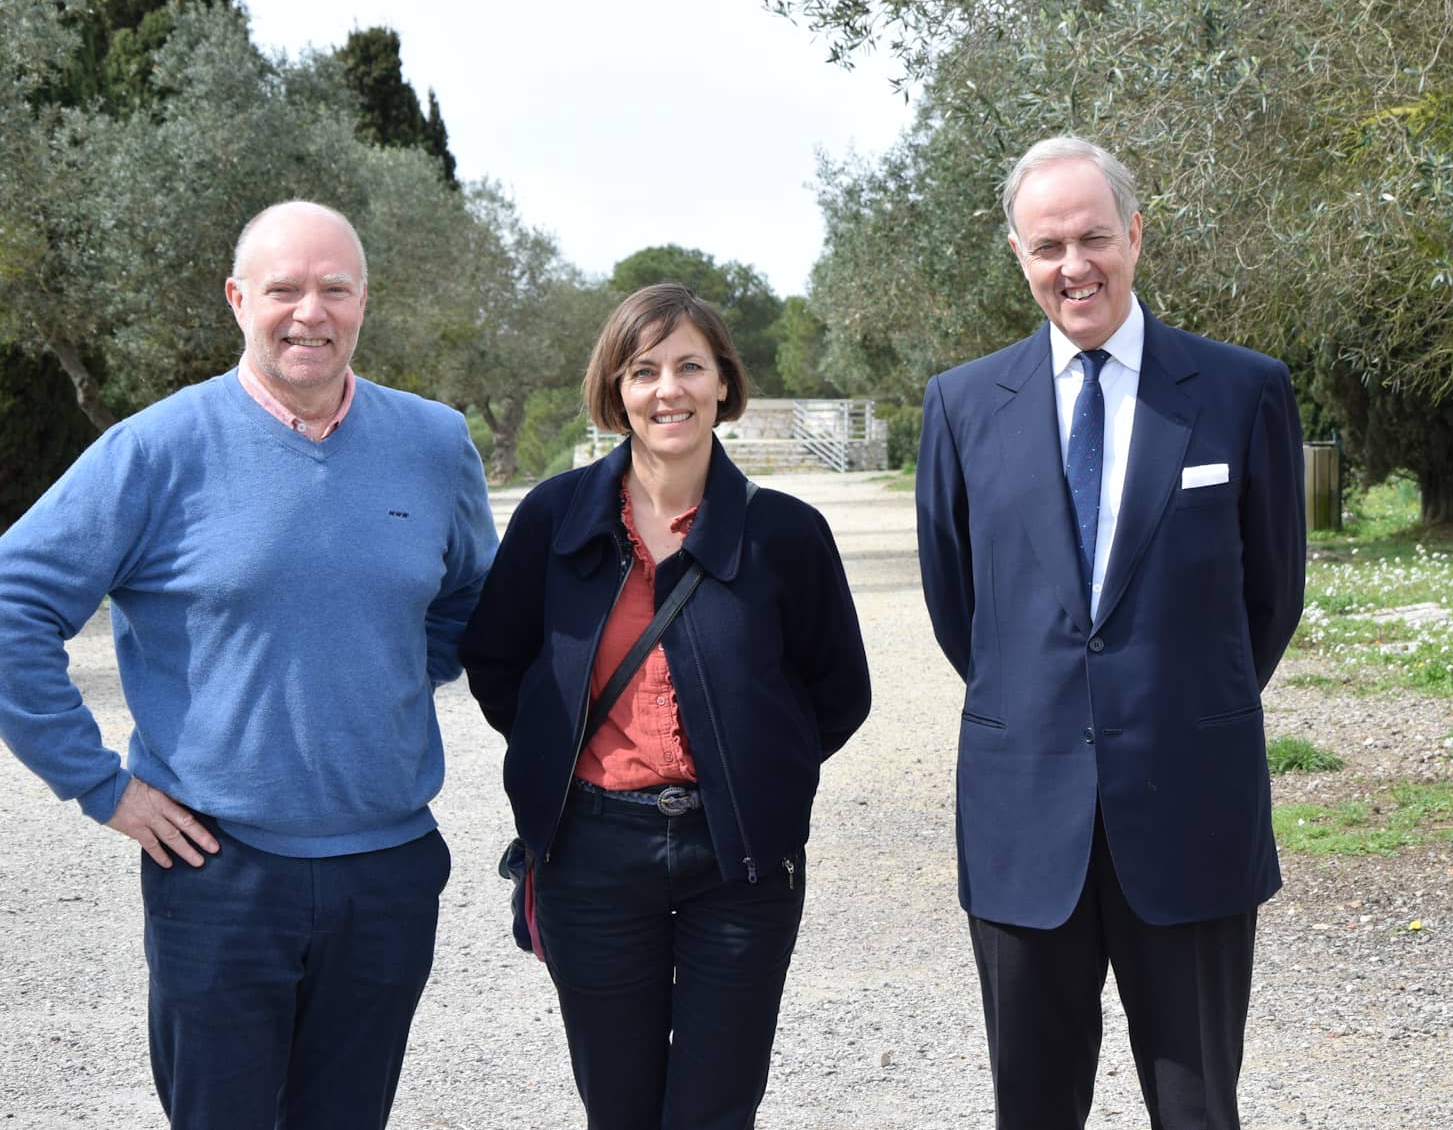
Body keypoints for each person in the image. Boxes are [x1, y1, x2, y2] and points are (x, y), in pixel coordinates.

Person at [0, 201, 496, 1129]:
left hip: (387, 870)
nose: (310, 312)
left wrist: (388, 679)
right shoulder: (154, 449)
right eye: (284, 289)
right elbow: (10, 603)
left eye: (334, 289)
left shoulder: (434, 443)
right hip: (218, 874)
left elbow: (472, 597)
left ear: (362, 302)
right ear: (239, 300)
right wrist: (100, 785)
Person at [915, 136, 1306, 1130]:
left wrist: (1167, 697)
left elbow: (1270, 598)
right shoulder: (962, 406)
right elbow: (961, 610)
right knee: (1032, 1110)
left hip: (1191, 814)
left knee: (1196, 1108)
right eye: (1048, 246)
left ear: (1133, 234)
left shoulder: (1238, 391)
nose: (1073, 265)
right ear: (1017, 254)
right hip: (1021, 824)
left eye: (1093, 236)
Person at [461, 282, 870, 1130]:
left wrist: (754, 764)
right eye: (643, 370)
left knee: (714, 1111)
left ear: (724, 382)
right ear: (615, 389)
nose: (667, 389)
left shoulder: (786, 533)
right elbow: (499, 663)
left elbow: (838, 691)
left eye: (690, 365)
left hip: (739, 861)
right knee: (619, 1109)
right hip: (591, 854)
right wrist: (563, 749)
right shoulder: (551, 519)